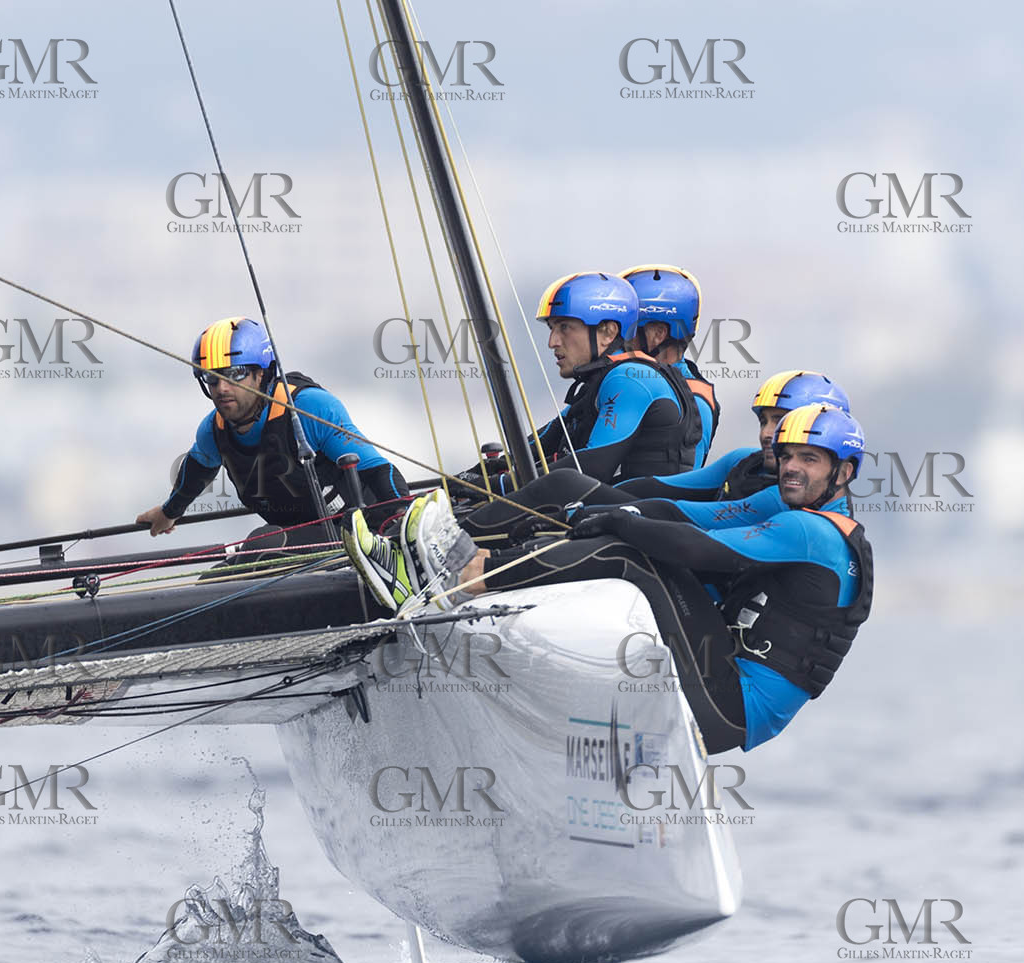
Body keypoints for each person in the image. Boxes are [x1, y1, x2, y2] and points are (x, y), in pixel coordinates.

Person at [344, 402, 873, 753]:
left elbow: (701, 547)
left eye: (809, 459)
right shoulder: (809, 519)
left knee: (631, 556)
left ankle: (454, 581)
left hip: (727, 707)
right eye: (786, 456)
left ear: (843, 473)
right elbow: (682, 517)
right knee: (635, 543)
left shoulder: (811, 532)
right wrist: (623, 513)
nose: (790, 467)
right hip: (724, 689)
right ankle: (467, 571)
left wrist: (623, 520)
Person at [137, 316, 408, 556]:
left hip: (359, 536)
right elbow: (196, 472)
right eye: (212, 378)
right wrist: (169, 512)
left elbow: (378, 470)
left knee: (260, 547)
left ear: (260, 374)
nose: (221, 388)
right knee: (211, 583)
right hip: (294, 542)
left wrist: (403, 519)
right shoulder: (213, 430)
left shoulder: (308, 408)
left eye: (234, 374)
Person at [453, 271, 701, 497]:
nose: (552, 342)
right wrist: (478, 474)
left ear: (607, 333)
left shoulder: (629, 377)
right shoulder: (601, 381)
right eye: (552, 329)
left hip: (641, 525)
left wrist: (495, 485)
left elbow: (591, 469)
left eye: (564, 327)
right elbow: (539, 442)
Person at [616, 369, 850, 505]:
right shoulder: (745, 461)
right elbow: (658, 488)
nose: (767, 434)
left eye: (780, 421)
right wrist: (591, 492)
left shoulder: (787, 499)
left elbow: (689, 518)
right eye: (763, 421)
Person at [618, 265, 718, 468]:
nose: (616, 341)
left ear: (658, 335)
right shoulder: (626, 380)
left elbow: (681, 483)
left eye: (627, 331)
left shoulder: (695, 401)